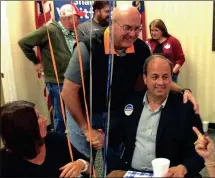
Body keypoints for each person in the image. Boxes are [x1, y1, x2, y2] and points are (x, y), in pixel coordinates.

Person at [62, 4, 199, 173]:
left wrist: (183, 91)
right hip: (84, 112)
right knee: (81, 166)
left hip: (116, 112)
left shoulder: (141, 48)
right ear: (112, 24)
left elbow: (156, 76)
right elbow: (68, 92)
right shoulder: (88, 46)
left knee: (114, 164)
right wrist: (86, 128)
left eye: (137, 29)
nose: (133, 34)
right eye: (127, 28)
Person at [113, 55, 204, 177]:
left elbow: (200, 151)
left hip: (170, 174)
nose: (160, 82)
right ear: (145, 78)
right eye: (155, 77)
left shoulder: (185, 108)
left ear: (172, 78)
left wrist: (184, 168)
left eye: (165, 77)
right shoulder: (131, 103)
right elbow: (117, 138)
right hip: (133, 172)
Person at [18, 3, 85, 134]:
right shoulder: (50, 30)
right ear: (69, 18)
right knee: (61, 115)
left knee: (72, 112)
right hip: (57, 80)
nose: (79, 20)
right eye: (78, 17)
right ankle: (60, 141)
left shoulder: (74, 32)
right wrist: (36, 62)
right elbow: (24, 42)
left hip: (71, 80)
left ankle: (70, 139)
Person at [0, 100, 91, 177]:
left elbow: (90, 168)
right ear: (25, 128)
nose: (45, 119)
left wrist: (82, 164)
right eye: (38, 117)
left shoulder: (56, 140)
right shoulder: (5, 163)